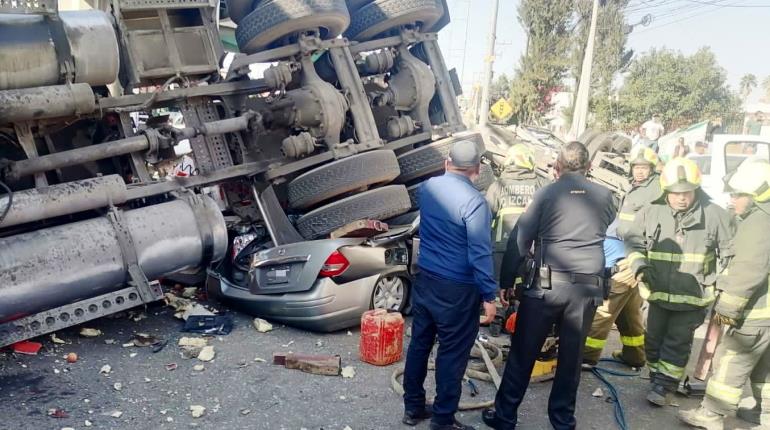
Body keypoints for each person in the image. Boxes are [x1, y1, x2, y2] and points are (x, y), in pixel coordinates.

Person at [482, 141, 616, 430]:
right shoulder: (607, 196)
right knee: (571, 359)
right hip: (587, 290)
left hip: (546, 287)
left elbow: (519, 239)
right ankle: (563, 421)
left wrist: (507, 282)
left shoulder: (546, 194)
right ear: (589, 166)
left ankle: (504, 417)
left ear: (557, 166)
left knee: (522, 353)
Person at [402, 139, 497, 430]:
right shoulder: (476, 203)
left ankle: (413, 408)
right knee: (452, 353)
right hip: (457, 288)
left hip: (426, 278)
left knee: (420, 344)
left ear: (446, 163)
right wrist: (489, 295)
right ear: (478, 169)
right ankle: (443, 420)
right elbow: (480, 252)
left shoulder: (428, 188)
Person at [625, 157, 736, 406]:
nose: (682, 198)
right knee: (652, 340)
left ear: (696, 189)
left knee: (677, 342)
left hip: (692, 298)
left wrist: (724, 289)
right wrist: (639, 265)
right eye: (676, 193)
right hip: (657, 294)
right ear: (666, 190)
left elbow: (731, 255)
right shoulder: (651, 211)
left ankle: (665, 385)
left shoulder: (715, 215)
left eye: (687, 192)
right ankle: (657, 376)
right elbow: (633, 241)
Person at [678, 160, 770, 429]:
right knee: (765, 366)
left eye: (737, 195)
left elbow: (748, 271)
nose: (732, 200)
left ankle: (712, 414)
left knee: (732, 359)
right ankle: (763, 412)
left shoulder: (758, 224)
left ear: (755, 194)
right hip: (767, 316)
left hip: (755, 313)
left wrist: (728, 311)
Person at [583, 146, 662, 368]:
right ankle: (635, 356)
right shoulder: (638, 190)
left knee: (604, 311)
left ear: (652, 169)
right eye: (636, 167)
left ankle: (586, 356)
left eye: (644, 167)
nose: (639, 171)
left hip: (627, 260)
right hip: (631, 258)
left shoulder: (653, 192)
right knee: (629, 314)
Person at [485, 143, 550, 282]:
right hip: (530, 250)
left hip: (500, 250)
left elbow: (485, 218)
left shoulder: (497, 186)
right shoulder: (541, 185)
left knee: (499, 289)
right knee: (523, 288)